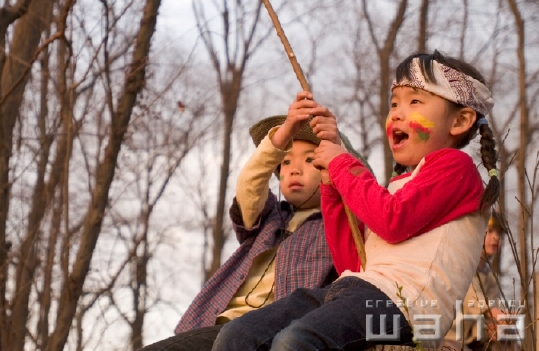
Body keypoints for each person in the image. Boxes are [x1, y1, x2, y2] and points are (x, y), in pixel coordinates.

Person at [211, 50, 500, 351]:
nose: (397, 113)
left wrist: (342, 164)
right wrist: (331, 186)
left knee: (295, 341)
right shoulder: (400, 185)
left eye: (414, 101)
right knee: (238, 335)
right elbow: (353, 260)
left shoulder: (456, 168)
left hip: (406, 306)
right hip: (356, 290)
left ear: (461, 121)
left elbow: (393, 220)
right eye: (394, 103)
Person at [140, 92, 364, 350]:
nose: (293, 168)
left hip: (274, 328)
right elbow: (250, 184)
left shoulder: (337, 225)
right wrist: (281, 136)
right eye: (285, 161)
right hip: (219, 323)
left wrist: (337, 154)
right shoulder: (269, 217)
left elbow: (358, 191)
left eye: (310, 160)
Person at [440, 213, 506, 351]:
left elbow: (491, 308)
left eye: (499, 233)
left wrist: (492, 325)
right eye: (489, 231)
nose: (495, 238)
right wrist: (492, 312)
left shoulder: (491, 277)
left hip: (470, 340)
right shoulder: (461, 265)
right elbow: (473, 297)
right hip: (446, 336)